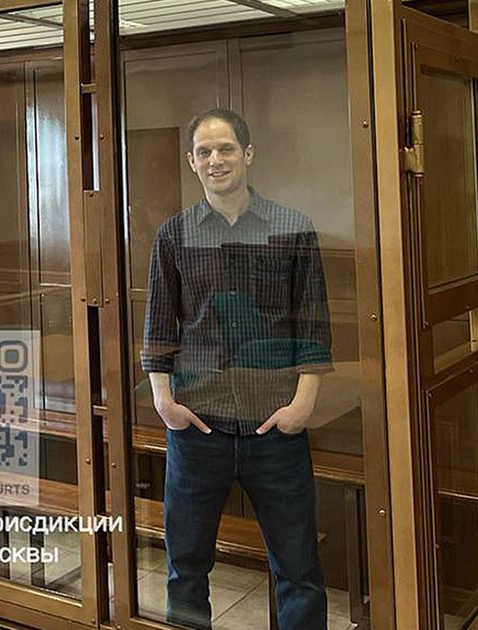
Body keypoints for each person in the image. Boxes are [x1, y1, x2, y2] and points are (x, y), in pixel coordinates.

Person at [141, 108, 332, 630]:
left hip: (275, 428)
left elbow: (312, 323)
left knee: (298, 570)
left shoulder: (291, 228)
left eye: (225, 148)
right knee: (185, 568)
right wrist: (164, 401)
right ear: (191, 161)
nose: (215, 160)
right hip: (198, 428)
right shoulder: (174, 234)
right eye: (204, 151)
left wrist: (301, 407)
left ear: (247, 154)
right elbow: (159, 324)